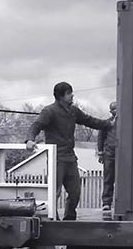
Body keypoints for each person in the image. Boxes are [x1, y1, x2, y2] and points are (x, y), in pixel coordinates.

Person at [26, 82, 111, 221]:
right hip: (56, 158)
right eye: (69, 93)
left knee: (75, 192)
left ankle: (69, 220)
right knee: (55, 192)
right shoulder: (49, 111)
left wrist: (108, 124)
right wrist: (29, 140)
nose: (72, 95)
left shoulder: (73, 111)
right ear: (61, 96)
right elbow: (36, 125)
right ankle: (54, 220)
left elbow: (90, 121)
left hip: (71, 158)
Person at [97, 101, 117, 216]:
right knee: (108, 179)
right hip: (109, 154)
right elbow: (100, 138)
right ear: (110, 111)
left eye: (117, 109)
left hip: (122, 155)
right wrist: (100, 152)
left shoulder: (125, 122)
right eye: (113, 109)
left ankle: (122, 202)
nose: (116, 111)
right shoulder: (106, 123)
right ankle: (106, 202)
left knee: (123, 180)